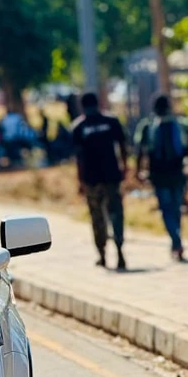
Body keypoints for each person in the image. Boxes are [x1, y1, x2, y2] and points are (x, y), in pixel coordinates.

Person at [135, 93, 188, 262]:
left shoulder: (147, 126)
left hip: (158, 175)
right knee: (175, 208)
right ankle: (177, 239)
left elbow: (141, 151)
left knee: (166, 209)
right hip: (177, 173)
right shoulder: (181, 125)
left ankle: (175, 240)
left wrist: (138, 171)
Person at [71, 91, 129, 270]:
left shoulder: (79, 126)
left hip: (91, 180)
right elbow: (123, 146)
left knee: (97, 218)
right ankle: (120, 252)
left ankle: (102, 255)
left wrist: (80, 182)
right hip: (112, 177)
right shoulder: (111, 121)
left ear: (82, 106)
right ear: (99, 102)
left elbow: (78, 158)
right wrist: (124, 167)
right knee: (116, 215)